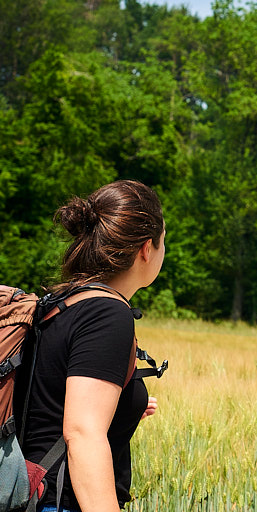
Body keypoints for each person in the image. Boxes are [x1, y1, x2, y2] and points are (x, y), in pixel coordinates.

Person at [19, 180, 164, 512]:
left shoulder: (59, 302)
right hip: (60, 500)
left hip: (29, 493)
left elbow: (48, 400)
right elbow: (83, 434)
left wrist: (124, 406)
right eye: (163, 242)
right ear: (146, 248)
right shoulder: (108, 313)